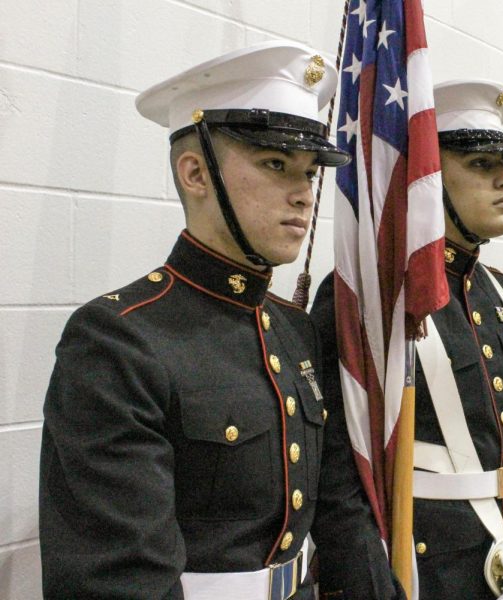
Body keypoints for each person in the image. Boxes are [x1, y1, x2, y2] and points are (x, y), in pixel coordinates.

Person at [39, 41, 356, 600]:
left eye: (309, 172)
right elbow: (118, 580)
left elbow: (329, 512)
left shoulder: (293, 327)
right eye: (275, 164)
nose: (303, 194)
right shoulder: (121, 339)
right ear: (195, 173)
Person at [311, 80, 503, 599]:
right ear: (427, 176)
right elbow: (339, 475)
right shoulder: (371, 296)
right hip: (426, 572)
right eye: (480, 165)